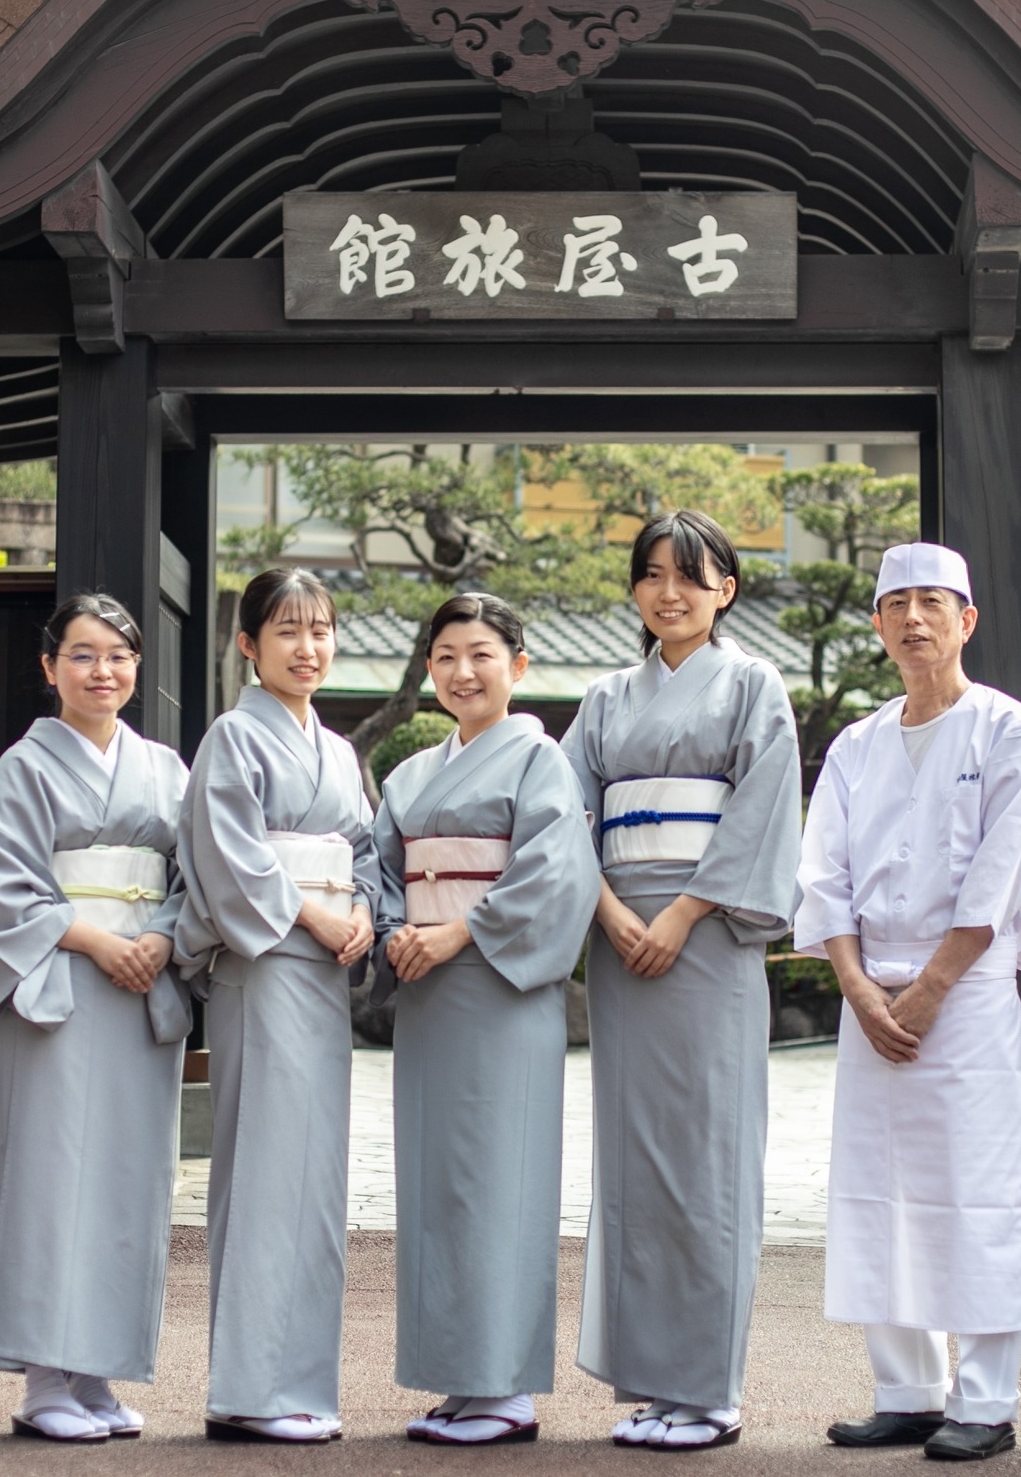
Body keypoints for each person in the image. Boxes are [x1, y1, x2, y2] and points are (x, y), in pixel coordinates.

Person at [798, 544, 1021, 1464]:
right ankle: (904, 1391)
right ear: (876, 624)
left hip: (971, 995)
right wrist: (861, 988)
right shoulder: (858, 744)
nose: (914, 619)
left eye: (933, 603)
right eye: (896, 603)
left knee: (977, 1191)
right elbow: (822, 873)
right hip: (870, 996)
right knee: (879, 1190)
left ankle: (984, 1400)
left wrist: (934, 986)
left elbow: (1004, 866)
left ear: (967, 620)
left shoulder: (1010, 730)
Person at [561, 510, 802, 1451]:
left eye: (692, 578)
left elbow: (762, 809)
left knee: (706, 1155)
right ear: (635, 590)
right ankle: (657, 1380)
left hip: (705, 936)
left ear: (725, 591)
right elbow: (564, 817)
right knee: (636, 1162)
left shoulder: (753, 686)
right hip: (623, 934)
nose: (671, 593)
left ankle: (710, 1388)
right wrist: (609, 912)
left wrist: (684, 911)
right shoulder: (605, 699)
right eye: (654, 576)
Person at [372, 592, 603, 1447]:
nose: (463, 673)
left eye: (481, 655)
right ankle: (462, 1380)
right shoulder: (408, 776)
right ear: (428, 669)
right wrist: (397, 931)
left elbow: (555, 875)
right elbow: (381, 870)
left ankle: (505, 1388)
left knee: (498, 1180)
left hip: (499, 988)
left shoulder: (543, 763)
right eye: (445, 657)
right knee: (438, 1184)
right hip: (431, 993)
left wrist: (458, 932)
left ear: (519, 667)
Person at [0, 593, 192, 1442]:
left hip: (140, 984)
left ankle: (96, 1373)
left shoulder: (168, 769)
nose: (103, 672)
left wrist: (164, 939)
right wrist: (98, 941)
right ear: (50, 667)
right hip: (56, 979)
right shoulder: (22, 768)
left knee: (131, 1180)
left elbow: (191, 879)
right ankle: (42, 1381)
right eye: (84, 656)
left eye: (119, 656)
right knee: (53, 1178)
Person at [175, 567, 380, 1444]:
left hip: (325, 967)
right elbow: (229, 855)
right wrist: (316, 912)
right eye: (288, 632)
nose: (308, 648)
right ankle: (249, 1388)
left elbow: (365, 847)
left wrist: (366, 909)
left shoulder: (337, 752)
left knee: (314, 1179)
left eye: (321, 630)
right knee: (264, 1171)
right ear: (248, 645)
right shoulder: (233, 736)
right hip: (262, 968)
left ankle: (294, 1381)